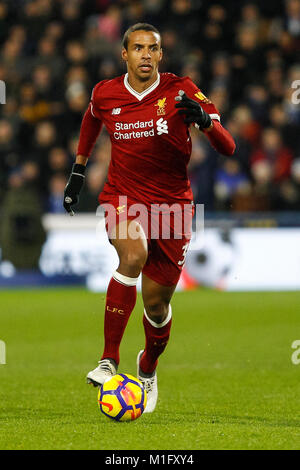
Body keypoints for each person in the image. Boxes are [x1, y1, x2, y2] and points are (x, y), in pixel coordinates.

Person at [63, 23, 235, 413]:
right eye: (137, 48)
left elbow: (229, 146)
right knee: (132, 256)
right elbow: (91, 119)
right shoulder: (105, 93)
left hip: (172, 208)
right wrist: (78, 170)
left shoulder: (182, 89)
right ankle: (109, 360)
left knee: (156, 308)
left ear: (161, 55)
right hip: (122, 197)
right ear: (124, 54)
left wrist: (206, 122)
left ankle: (149, 365)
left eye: (152, 48)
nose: (145, 54)